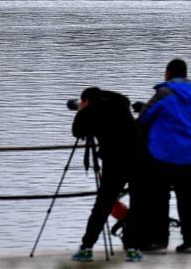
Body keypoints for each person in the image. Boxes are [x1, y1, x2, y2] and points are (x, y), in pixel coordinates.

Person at [137, 59, 191, 254]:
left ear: (168, 73)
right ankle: (189, 240)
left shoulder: (163, 93)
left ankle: (159, 242)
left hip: (163, 154)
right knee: (186, 197)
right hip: (189, 154)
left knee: (160, 197)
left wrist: (142, 108)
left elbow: (145, 118)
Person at [70, 87, 143, 262]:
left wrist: (81, 112)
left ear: (86, 100)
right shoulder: (120, 102)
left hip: (115, 163)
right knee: (138, 203)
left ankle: (86, 248)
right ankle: (133, 249)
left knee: (102, 206)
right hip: (139, 158)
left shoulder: (92, 110)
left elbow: (78, 132)